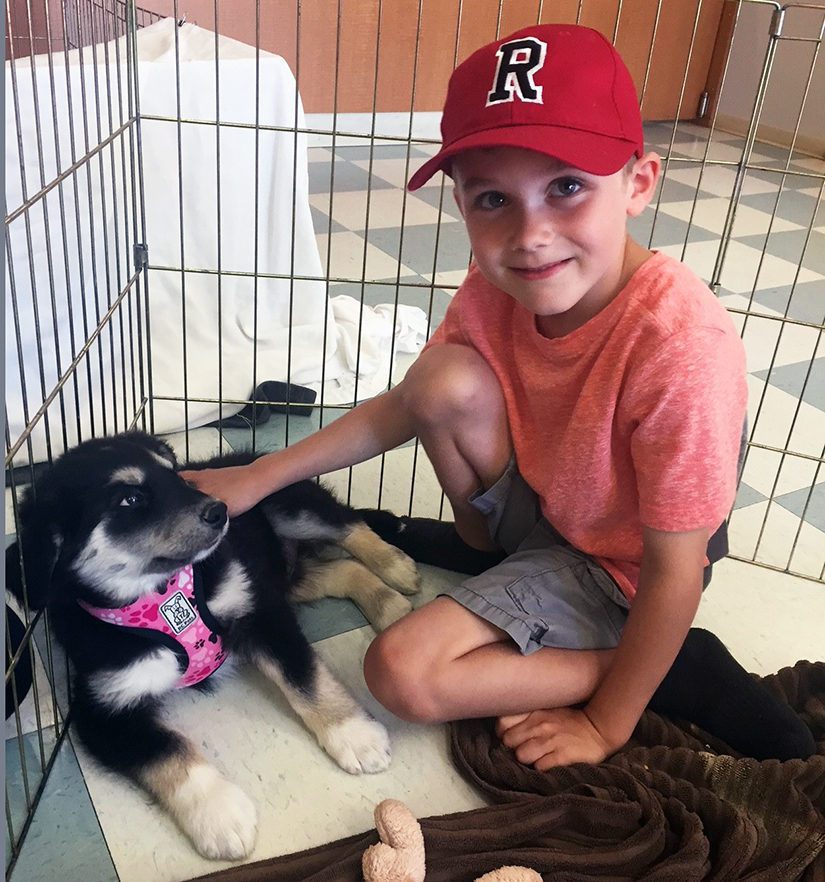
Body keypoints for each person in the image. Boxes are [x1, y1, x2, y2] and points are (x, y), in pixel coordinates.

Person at [184, 24, 815, 767]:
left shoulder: (680, 348)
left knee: (400, 674)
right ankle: (494, 561)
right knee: (442, 377)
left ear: (638, 183)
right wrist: (259, 475)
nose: (530, 234)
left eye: (567, 187)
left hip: (621, 567)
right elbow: (405, 405)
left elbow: (675, 569)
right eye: (492, 199)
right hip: (551, 511)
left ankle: (669, 668)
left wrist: (606, 722)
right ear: (459, 201)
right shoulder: (496, 286)